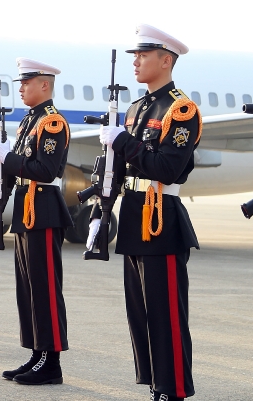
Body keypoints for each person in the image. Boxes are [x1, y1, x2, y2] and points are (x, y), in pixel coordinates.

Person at [99, 25, 201, 401]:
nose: (136, 61)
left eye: (144, 55)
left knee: (166, 314)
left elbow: (167, 169)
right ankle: (156, 384)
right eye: (134, 56)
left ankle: (172, 389)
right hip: (134, 215)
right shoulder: (137, 108)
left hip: (162, 217)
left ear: (166, 60)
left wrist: (123, 142)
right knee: (140, 312)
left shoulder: (181, 109)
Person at [0, 61, 74, 384]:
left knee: (45, 289)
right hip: (27, 209)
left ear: (44, 85)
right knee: (27, 289)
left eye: (27, 83)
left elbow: (45, 170)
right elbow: (17, 169)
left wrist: (7, 158)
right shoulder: (29, 121)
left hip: (44, 210)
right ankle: (37, 354)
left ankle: (51, 362)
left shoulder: (52, 123)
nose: (21, 88)